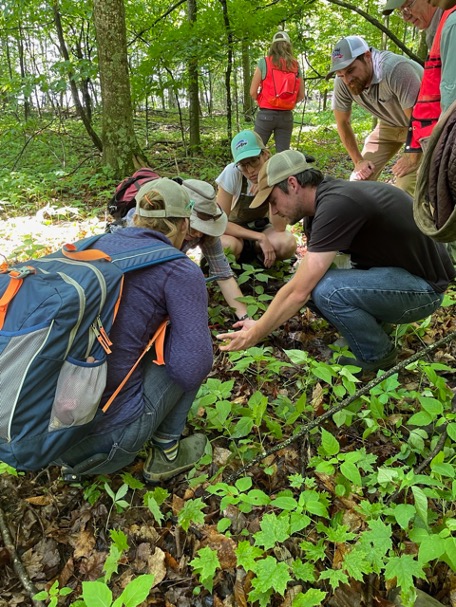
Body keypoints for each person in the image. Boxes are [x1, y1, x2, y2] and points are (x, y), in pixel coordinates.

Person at [216, 151, 454, 374]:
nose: (274, 211)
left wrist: (256, 332)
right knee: (315, 282)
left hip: (424, 289)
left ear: (292, 184)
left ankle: (377, 355)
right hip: (394, 276)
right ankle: (374, 330)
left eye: (273, 201)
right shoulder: (319, 207)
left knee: (326, 289)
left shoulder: (337, 204)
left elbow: (299, 290)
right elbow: (310, 276)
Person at [59, 178, 213, 483]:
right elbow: (191, 369)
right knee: (190, 348)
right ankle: (167, 452)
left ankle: (73, 459)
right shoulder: (179, 270)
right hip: (110, 442)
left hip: (46, 432)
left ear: (137, 216)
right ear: (184, 223)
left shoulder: (90, 247)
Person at [327, 35, 423, 195]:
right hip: (389, 125)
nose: (347, 79)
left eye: (351, 70)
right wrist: (359, 161)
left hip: (424, 125)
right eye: (341, 74)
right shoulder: (343, 81)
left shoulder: (395, 69)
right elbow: (342, 122)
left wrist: (412, 159)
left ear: (367, 56)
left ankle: (421, 218)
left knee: (406, 186)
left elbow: (418, 120)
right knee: (358, 182)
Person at [216, 129, 297, 268]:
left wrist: (269, 186)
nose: (250, 170)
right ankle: (233, 270)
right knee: (226, 246)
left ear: (265, 154)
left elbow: (279, 227)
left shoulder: (277, 172)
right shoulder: (232, 173)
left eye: (254, 161)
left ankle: (261, 263)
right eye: (243, 165)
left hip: (263, 227)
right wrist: (259, 237)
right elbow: (219, 223)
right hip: (234, 233)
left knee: (286, 243)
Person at [180, 178, 250, 322]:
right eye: (195, 227)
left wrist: (245, 319)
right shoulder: (158, 228)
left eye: (204, 228)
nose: (199, 234)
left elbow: (223, 275)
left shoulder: (206, 235)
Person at [250, 31, 305, 152]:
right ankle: (282, 171)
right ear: (289, 46)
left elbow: (253, 92)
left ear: (272, 47)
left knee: (255, 152)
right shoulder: (295, 65)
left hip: (266, 115)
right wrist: (288, 102)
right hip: (286, 117)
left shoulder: (264, 62)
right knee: (283, 155)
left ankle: (257, 171)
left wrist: (262, 100)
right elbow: (301, 95)